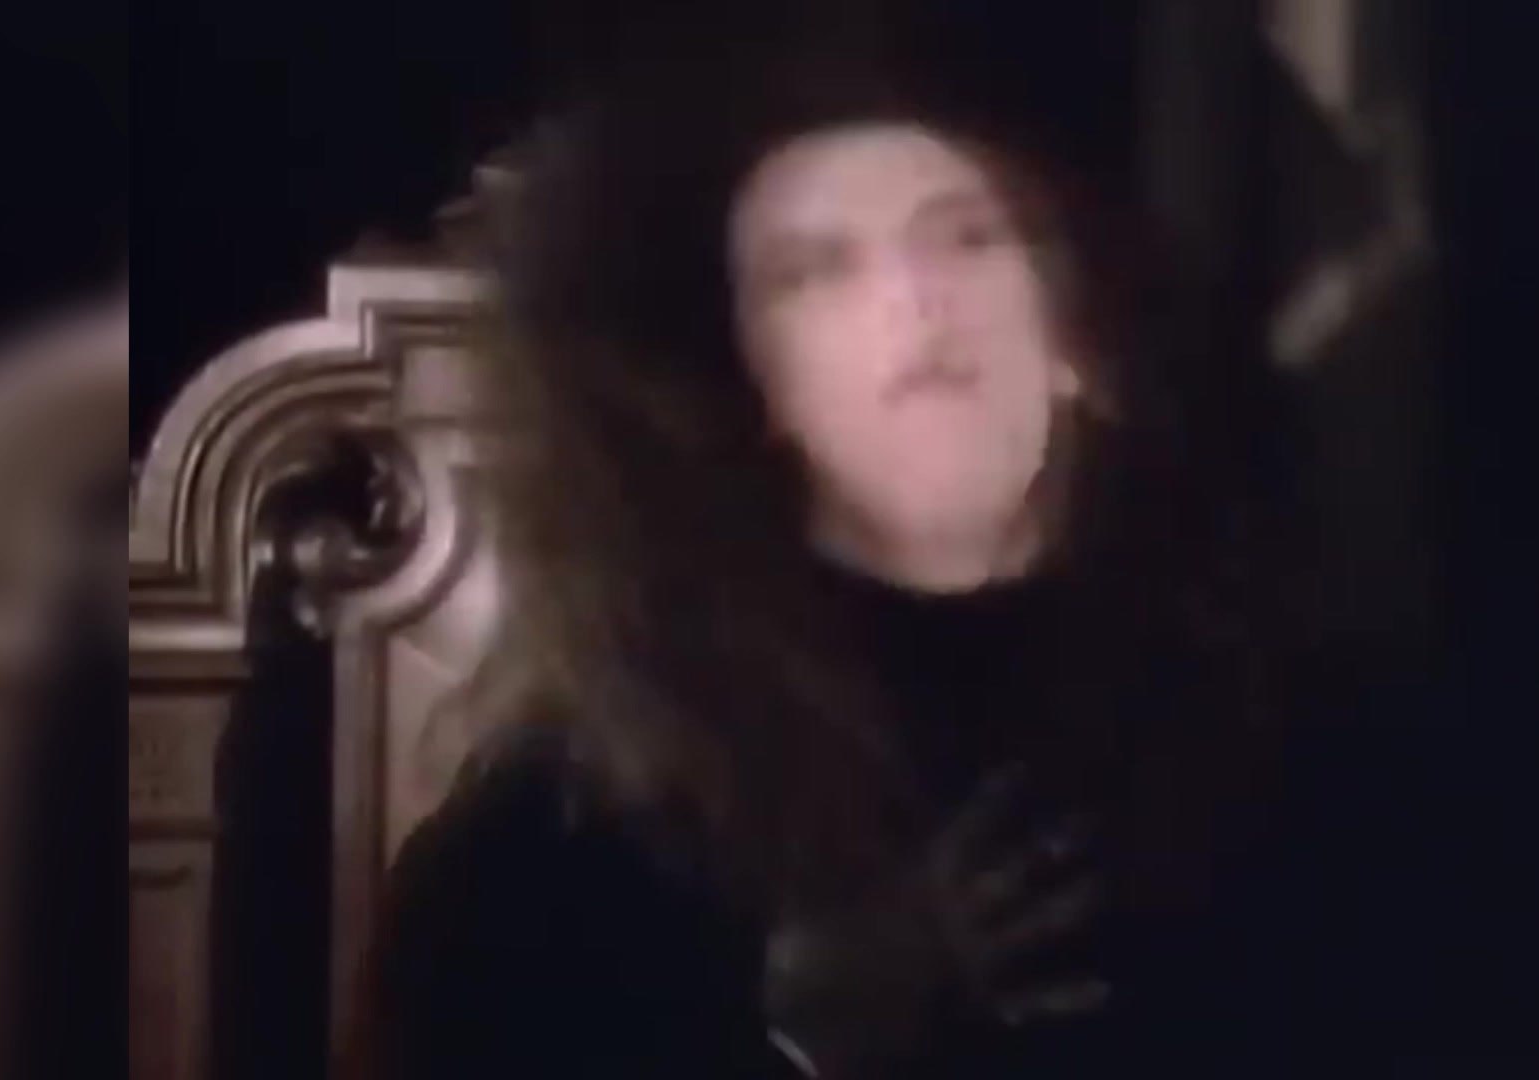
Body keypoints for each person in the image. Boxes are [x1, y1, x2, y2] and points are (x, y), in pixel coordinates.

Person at [357, 42, 1299, 1079]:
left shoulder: (1272, 747)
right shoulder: (573, 836)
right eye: (818, 271)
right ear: (751, 382)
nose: (913, 297)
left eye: (968, 236)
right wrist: (805, 1052)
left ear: (1079, 329)